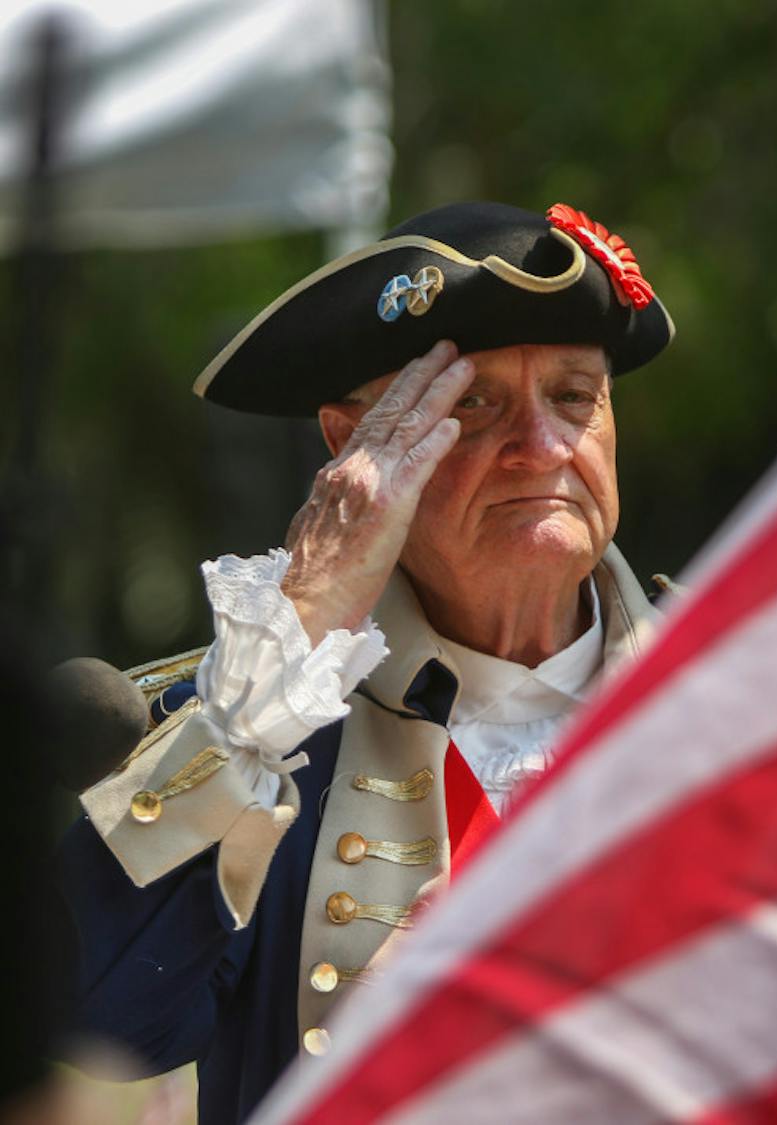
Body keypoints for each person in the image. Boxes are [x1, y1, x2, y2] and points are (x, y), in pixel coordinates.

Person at [56, 200, 675, 1123]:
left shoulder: (741, 684)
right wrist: (302, 616)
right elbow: (100, 1023)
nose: (544, 447)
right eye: (473, 403)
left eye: (575, 397)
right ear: (354, 446)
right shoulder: (259, 720)